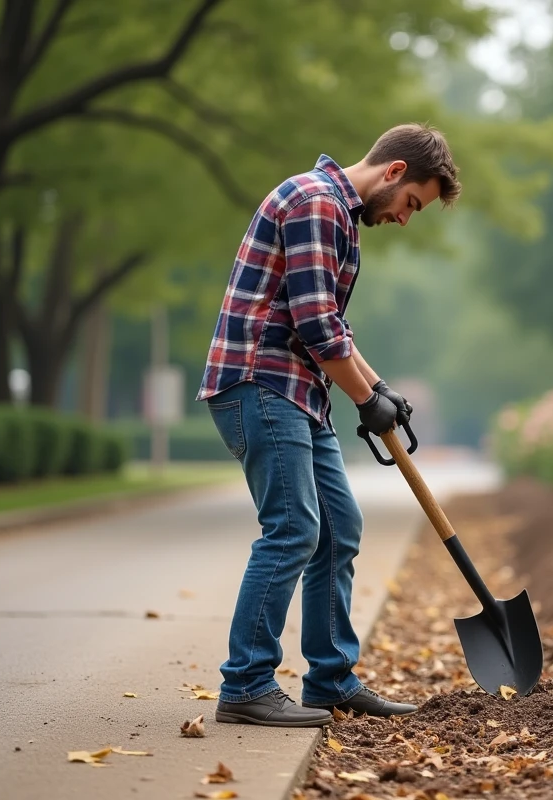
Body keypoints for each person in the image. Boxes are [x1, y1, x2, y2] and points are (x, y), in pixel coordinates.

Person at [196, 124, 461, 727]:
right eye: (411, 204)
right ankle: (246, 684)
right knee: (293, 528)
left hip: (298, 392)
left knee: (340, 527)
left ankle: (331, 680)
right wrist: (366, 401)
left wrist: (379, 389)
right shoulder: (316, 203)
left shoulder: (338, 214)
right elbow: (315, 325)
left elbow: (333, 329)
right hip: (260, 382)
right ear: (394, 171)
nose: (403, 219)